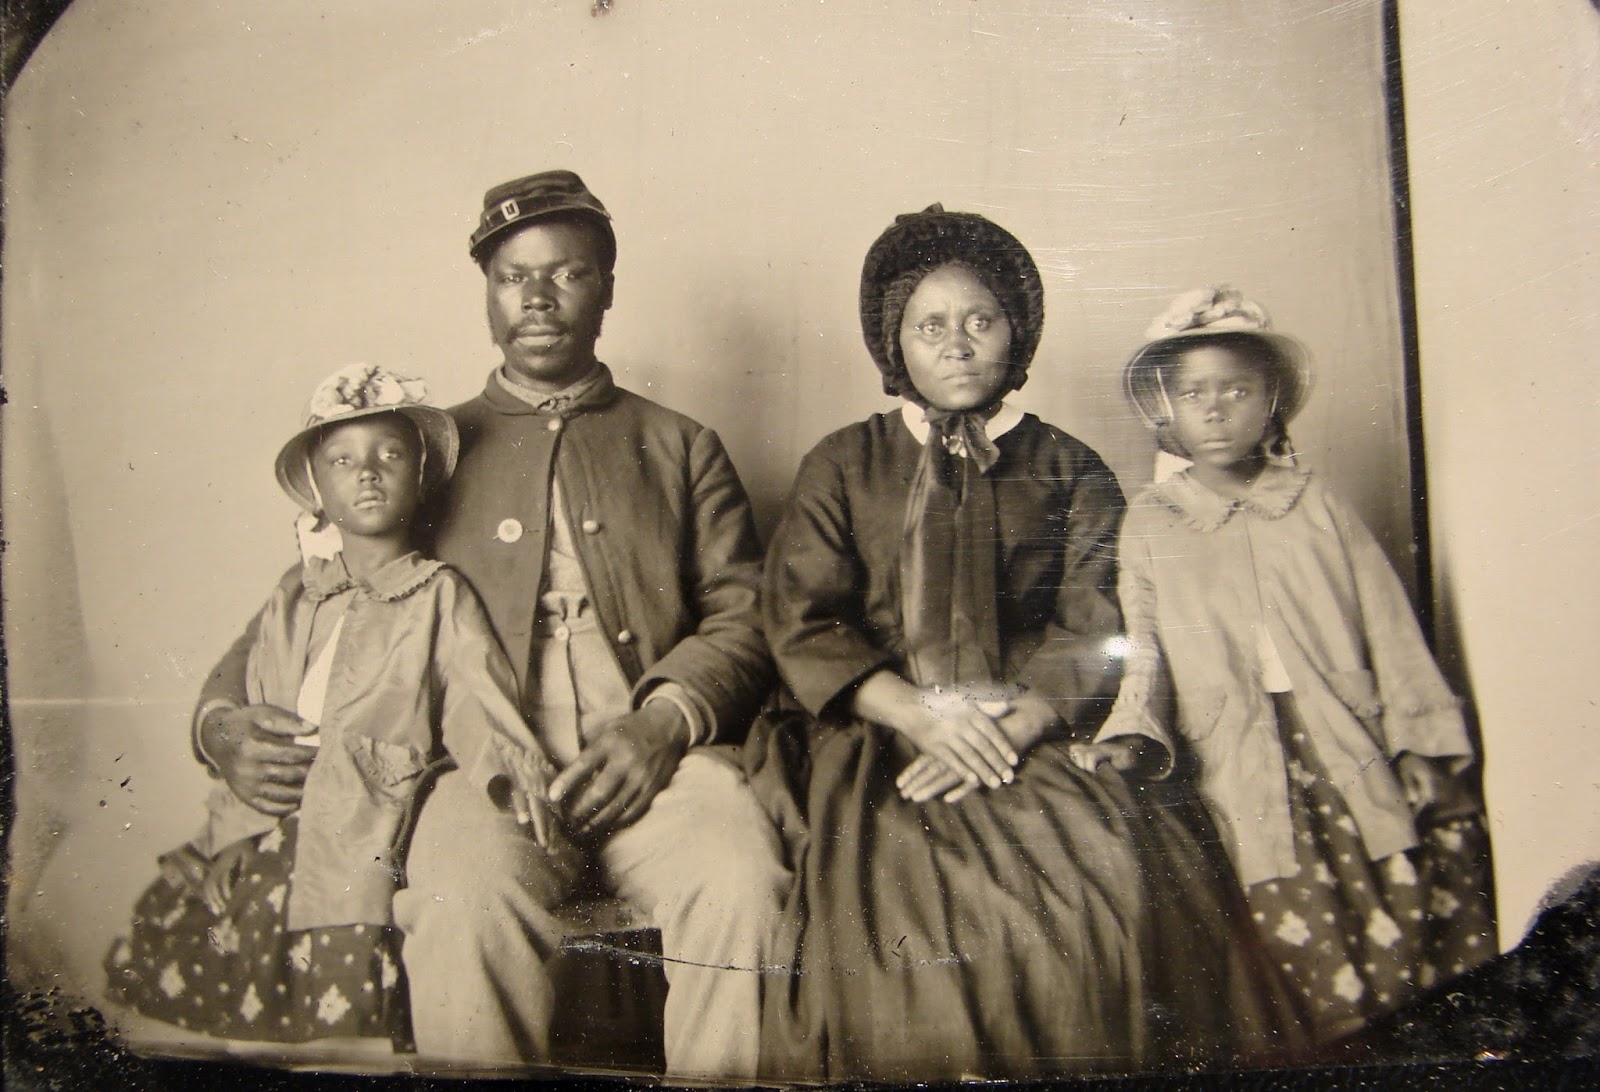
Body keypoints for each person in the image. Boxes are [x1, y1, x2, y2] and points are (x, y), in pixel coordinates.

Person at [188, 171, 788, 1077]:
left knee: (742, 879)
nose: (538, 300)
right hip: (477, 771)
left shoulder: (679, 444)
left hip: (656, 769)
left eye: (568, 274)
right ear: (487, 291)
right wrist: (222, 723)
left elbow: (744, 619)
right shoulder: (426, 450)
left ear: (608, 289)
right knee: (463, 899)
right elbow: (317, 594)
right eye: (513, 276)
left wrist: (659, 726)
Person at [746, 208, 1298, 1081]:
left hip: (1030, 731)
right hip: (880, 732)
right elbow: (804, 619)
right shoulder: (844, 464)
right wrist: (918, 716)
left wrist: (1014, 726)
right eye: (931, 326)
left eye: (981, 321)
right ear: (895, 343)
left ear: (1018, 334)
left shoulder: (1070, 467)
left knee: (1106, 884)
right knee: (891, 924)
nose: (958, 345)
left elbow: (1098, 621)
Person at [1071, 286, 1495, 1041]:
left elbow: (1389, 627)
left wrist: (1418, 738)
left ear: (1272, 402)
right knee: (1286, 911)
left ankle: (1423, 1043)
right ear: (1164, 408)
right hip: (1239, 749)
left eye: (1237, 390)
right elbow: (1147, 647)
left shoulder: (1314, 503)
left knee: (1394, 879)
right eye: (1193, 393)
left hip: (1341, 735)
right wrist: (1131, 729)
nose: (1215, 410)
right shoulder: (1153, 522)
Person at [105, 365, 570, 1046]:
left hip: (364, 822)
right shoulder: (296, 595)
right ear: (317, 490)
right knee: (234, 967)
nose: (369, 473)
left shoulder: (437, 594)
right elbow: (258, 711)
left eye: (390, 456)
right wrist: (234, 830)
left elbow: (476, 697)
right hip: (278, 823)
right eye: (344, 462)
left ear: (421, 476)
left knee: (346, 1012)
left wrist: (513, 774)